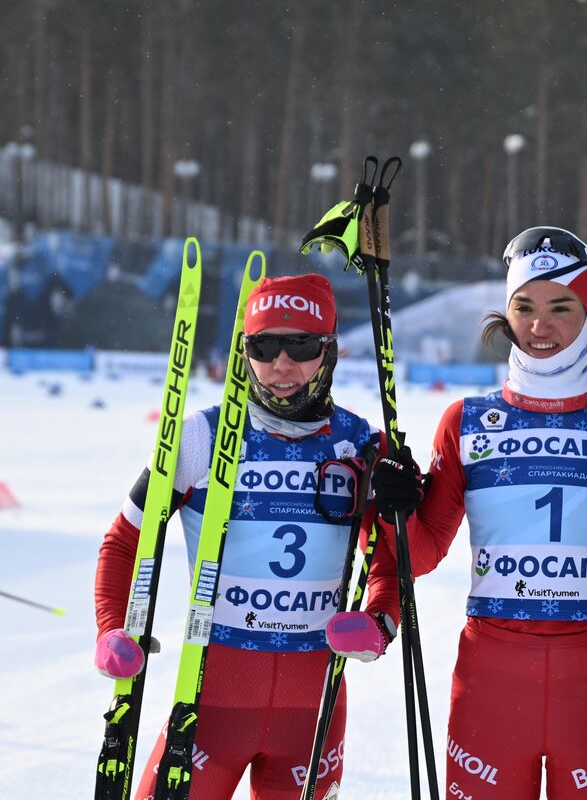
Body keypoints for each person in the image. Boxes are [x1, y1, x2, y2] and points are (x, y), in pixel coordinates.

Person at [324, 227, 587, 800]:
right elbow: (426, 550)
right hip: (492, 670)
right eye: (525, 307)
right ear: (506, 312)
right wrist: (396, 509)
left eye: (562, 307)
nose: (541, 326)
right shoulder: (468, 422)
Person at [93, 274, 382, 799]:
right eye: (264, 346)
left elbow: (391, 554)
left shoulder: (359, 443)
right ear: (243, 350)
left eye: (302, 345)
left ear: (330, 350)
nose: (282, 365)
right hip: (211, 701)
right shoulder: (201, 437)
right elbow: (124, 541)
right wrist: (114, 627)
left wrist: (381, 615)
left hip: (313, 708)